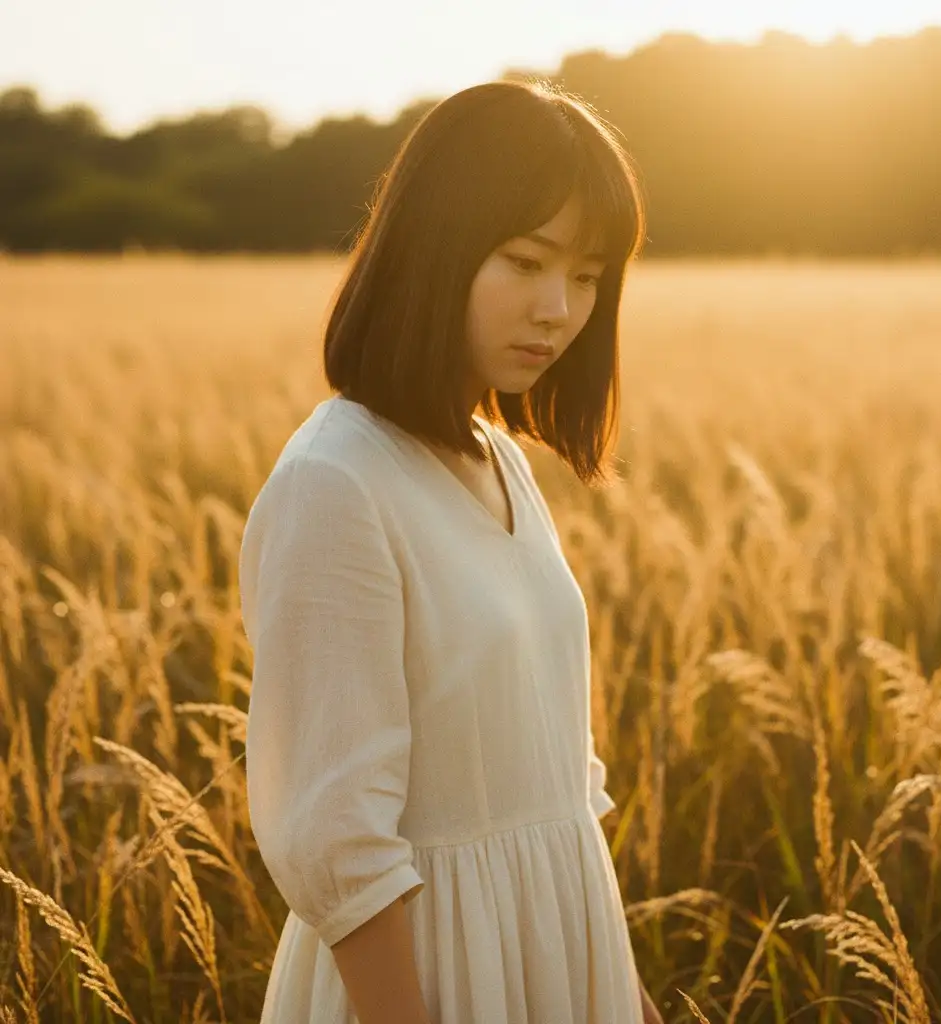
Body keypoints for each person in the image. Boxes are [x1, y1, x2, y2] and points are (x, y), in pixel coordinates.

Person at [238, 78, 664, 1024]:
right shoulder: (336, 483)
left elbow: (558, 783)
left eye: (588, 275)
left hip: (560, 952)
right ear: (433, 249)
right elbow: (335, 842)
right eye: (525, 259)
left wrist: (627, 997)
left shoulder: (499, 459)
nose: (558, 307)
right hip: (430, 977)